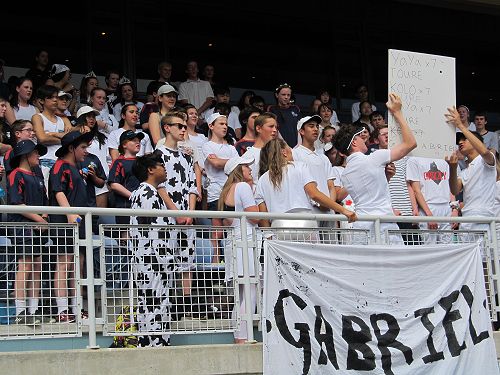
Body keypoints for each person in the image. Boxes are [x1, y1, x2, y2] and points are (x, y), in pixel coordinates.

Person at [333, 93, 417, 242]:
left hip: (361, 230)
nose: (365, 138)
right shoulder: (375, 158)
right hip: (384, 226)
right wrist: (397, 113)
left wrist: (386, 177)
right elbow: (410, 144)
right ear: (353, 143)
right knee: (395, 265)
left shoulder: (345, 174)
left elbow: (370, 191)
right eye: (360, 137)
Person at [256, 138, 356, 228]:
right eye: (289, 148)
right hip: (304, 222)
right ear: (284, 152)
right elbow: (314, 194)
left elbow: (263, 215)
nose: (291, 151)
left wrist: (269, 236)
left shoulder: (262, 179)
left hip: (278, 226)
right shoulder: (300, 167)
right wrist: (343, 210)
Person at [156, 111, 198, 317]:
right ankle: (167, 302)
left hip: (185, 216)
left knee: (186, 259)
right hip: (166, 216)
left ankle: (186, 305)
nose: (184, 129)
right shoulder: (158, 154)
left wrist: (189, 212)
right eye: (179, 126)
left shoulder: (186, 157)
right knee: (167, 259)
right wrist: (176, 212)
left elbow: (192, 186)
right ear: (167, 128)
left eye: (184, 126)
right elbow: (159, 186)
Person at [128, 152, 173, 347]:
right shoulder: (147, 194)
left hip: (146, 259)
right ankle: (156, 344)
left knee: (148, 303)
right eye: (161, 165)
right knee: (155, 302)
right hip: (152, 261)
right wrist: (166, 261)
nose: (164, 168)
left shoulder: (144, 192)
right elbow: (155, 232)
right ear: (150, 169)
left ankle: (148, 342)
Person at [49, 130, 94, 322]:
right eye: (82, 148)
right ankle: (62, 311)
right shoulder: (60, 166)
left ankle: (77, 309)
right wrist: (69, 214)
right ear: (70, 148)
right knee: (64, 263)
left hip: (80, 223)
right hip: (65, 223)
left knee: (79, 265)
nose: (85, 152)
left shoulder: (75, 167)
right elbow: (58, 191)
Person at [7, 140, 49, 325]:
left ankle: (33, 309)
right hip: (23, 225)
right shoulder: (15, 174)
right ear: (25, 155)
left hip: (38, 226)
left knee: (37, 265)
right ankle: (20, 311)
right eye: (35, 153)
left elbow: (45, 201)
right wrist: (38, 218)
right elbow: (16, 203)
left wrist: (45, 217)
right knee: (25, 265)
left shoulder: (38, 174)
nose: (38, 156)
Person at [219, 154, 260, 343]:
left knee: (242, 293)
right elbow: (255, 217)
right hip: (244, 241)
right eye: (246, 166)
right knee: (250, 290)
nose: (250, 169)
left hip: (233, 242)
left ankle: (239, 337)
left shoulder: (226, 190)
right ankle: (243, 337)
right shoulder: (242, 187)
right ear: (238, 170)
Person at [445, 107, 496, 233]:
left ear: (476, 142)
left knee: (484, 253)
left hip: (482, 219)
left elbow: (484, 151)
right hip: (466, 219)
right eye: (459, 141)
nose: (460, 142)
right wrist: (452, 168)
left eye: (465, 139)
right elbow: (455, 189)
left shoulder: (486, 160)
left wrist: (461, 126)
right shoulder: (465, 170)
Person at [201, 112, 239, 263]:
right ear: (211, 126)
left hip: (231, 193)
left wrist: (223, 161)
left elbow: (237, 166)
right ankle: (215, 263)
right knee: (217, 231)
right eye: (221, 124)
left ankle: (232, 260)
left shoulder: (231, 147)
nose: (225, 126)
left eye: (226, 124)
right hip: (215, 193)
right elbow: (215, 164)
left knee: (231, 227)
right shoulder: (207, 145)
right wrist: (233, 161)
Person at [407, 156, 458, 243]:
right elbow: (416, 190)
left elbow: (451, 184)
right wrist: (429, 215)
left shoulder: (445, 157)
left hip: (446, 207)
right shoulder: (413, 160)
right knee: (430, 249)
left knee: (448, 248)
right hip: (428, 206)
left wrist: (454, 208)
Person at [31, 85, 72, 186]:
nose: (55, 100)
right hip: (45, 161)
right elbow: (42, 138)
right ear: (41, 100)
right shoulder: (38, 117)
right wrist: (63, 138)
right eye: (50, 97)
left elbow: (71, 138)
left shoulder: (63, 119)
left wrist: (54, 135)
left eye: (56, 97)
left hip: (62, 162)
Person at [74, 106, 109, 208]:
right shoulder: (74, 137)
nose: (92, 119)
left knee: (98, 217)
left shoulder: (102, 137)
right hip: (81, 178)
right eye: (88, 116)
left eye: (93, 116)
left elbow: (108, 159)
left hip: (100, 179)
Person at [108, 130, 143, 224]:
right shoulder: (118, 162)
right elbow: (114, 184)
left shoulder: (143, 161)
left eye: (138, 140)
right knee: (125, 235)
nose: (137, 142)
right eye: (133, 140)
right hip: (125, 207)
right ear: (124, 145)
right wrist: (132, 196)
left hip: (143, 206)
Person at [242, 112, 278, 184]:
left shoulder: (278, 152)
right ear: (258, 128)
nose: (275, 130)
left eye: (276, 127)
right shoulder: (248, 157)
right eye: (271, 126)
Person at [267, 83, 300, 148]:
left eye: (288, 95)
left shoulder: (295, 109)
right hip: (278, 146)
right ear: (277, 95)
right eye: (283, 95)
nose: (286, 97)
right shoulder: (271, 109)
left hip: (295, 147)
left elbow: (300, 128)